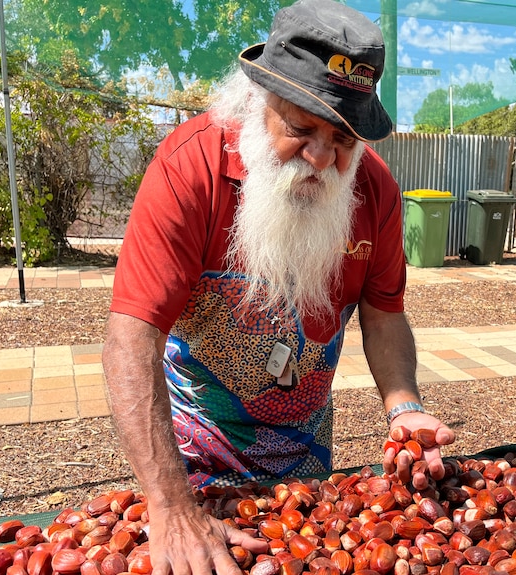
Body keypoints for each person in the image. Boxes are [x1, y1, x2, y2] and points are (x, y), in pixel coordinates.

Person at [102, 0, 455, 572]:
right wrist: (169, 506)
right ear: (254, 101)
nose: (320, 157)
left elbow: (384, 312)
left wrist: (404, 406)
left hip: (305, 452)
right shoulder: (187, 168)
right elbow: (131, 337)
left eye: (343, 140)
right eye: (301, 128)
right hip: (190, 456)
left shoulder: (377, 193)